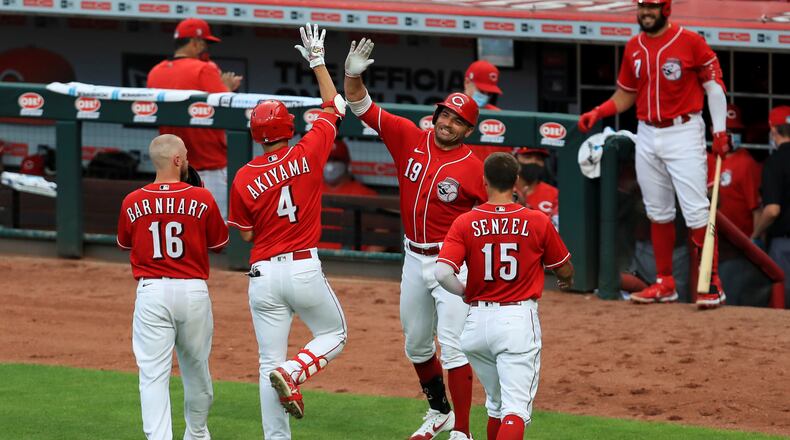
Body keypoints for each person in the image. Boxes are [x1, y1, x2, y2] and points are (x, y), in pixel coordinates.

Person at [345, 38, 487, 440]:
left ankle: (462, 430)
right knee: (417, 345)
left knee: (455, 347)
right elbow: (360, 105)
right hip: (412, 257)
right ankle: (438, 410)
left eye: (457, 120)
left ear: (467, 129)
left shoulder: (474, 167)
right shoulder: (408, 136)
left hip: (452, 262)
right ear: (436, 113)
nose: (448, 123)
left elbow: (495, 212)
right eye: (445, 114)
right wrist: (353, 74)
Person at [227, 23, 348, 439]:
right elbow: (335, 106)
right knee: (334, 333)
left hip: (262, 275)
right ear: (287, 128)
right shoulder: (310, 150)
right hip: (302, 268)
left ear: (257, 136)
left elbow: (243, 235)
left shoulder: (243, 176)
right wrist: (317, 62)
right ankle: (295, 370)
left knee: (266, 363)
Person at [578, 0, 730, 308]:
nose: (646, 12)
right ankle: (665, 283)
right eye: (642, 7)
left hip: (684, 129)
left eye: (652, 7)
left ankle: (711, 284)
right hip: (647, 131)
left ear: (666, 9)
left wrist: (720, 130)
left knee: (697, 211)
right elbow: (627, 94)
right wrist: (598, 111)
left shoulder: (691, 41)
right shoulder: (634, 45)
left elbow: (714, 87)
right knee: (657, 211)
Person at [435, 152, 573, 440]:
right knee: (515, 411)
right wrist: (565, 281)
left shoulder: (465, 222)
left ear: (484, 181)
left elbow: (442, 273)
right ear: (516, 182)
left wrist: (465, 293)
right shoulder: (536, 220)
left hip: (476, 326)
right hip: (516, 323)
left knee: (496, 407)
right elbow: (564, 268)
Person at [116, 134, 229, 440]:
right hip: (193, 292)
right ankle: (196, 433)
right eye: (187, 156)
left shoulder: (132, 200)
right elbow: (220, 243)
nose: (189, 161)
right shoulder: (201, 198)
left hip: (152, 293)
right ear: (178, 160)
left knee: (153, 376)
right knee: (196, 371)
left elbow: (126, 243)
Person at [147, 18, 243, 219]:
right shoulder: (205, 69)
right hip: (209, 167)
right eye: (205, 43)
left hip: (172, 171)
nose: (206, 48)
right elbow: (224, 112)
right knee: (216, 234)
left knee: (182, 230)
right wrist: (226, 89)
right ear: (195, 42)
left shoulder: (155, 72)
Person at [752, 105, 790, 308]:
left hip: (784, 245)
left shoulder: (774, 162)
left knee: (782, 304)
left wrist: (755, 235)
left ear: (773, 130)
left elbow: (772, 209)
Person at [706, 104, 762, 237]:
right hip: (711, 240)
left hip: (739, 242)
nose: (731, 136)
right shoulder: (706, 159)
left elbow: (757, 210)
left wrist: (754, 242)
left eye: (735, 131)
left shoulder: (747, 163)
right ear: (712, 130)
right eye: (726, 130)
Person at [513, 147, 559, 229]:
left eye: (539, 159)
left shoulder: (554, 194)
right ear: (515, 159)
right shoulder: (504, 189)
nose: (533, 162)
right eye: (528, 157)